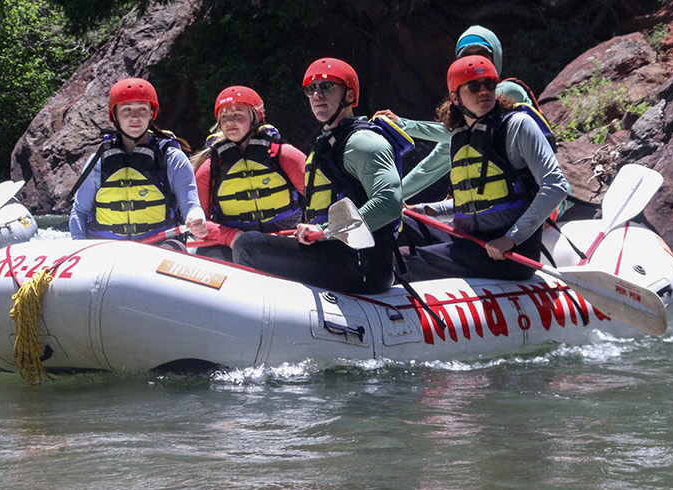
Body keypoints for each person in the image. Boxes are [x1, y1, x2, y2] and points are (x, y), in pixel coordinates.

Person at [230, 59, 401, 294]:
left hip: (363, 265)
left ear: (350, 96)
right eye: (311, 89)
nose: (317, 95)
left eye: (327, 87)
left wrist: (322, 230)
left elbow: (389, 205)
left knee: (248, 245)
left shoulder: (363, 142)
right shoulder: (328, 142)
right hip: (333, 254)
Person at [402, 54, 571, 282]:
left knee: (403, 260)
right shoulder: (460, 137)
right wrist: (421, 210)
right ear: (455, 97)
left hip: (508, 253)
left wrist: (510, 238)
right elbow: (474, 204)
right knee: (399, 225)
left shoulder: (518, 126)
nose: (484, 91)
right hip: (470, 241)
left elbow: (556, 186)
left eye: (489, 85)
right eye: (473, 86)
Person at [387, 24, 534, 202]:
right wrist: (389, 199)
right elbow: (427, 170)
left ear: (496, 57)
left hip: (532, 196)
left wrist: (403, 125)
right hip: (499, 204)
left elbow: (453, 131)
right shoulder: (459, 131)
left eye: (482, 54)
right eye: (467, 56)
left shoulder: (510, 91)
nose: (475, 62)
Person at [68, 78, 208, 251]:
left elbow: (191, 206)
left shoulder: (172, 158)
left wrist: (196, 219)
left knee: (174, 249)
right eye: (127, 109)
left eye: (142, 109)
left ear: (151, 113)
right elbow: (79, 212)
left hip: (158, 245)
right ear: (115, 115)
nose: (135, 117)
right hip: (106, 248)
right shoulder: (98, 161)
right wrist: (79, 249)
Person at [191, 85, 307, 261]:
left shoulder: (284, 155)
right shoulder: (210, 167)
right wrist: (232, 237)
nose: (230, 121)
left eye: (237, 115)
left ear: (254, 118)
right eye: (224, 116)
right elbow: (198, 221)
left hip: (287, 236)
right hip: (232, 241)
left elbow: (320, 200)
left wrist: (311, 228)